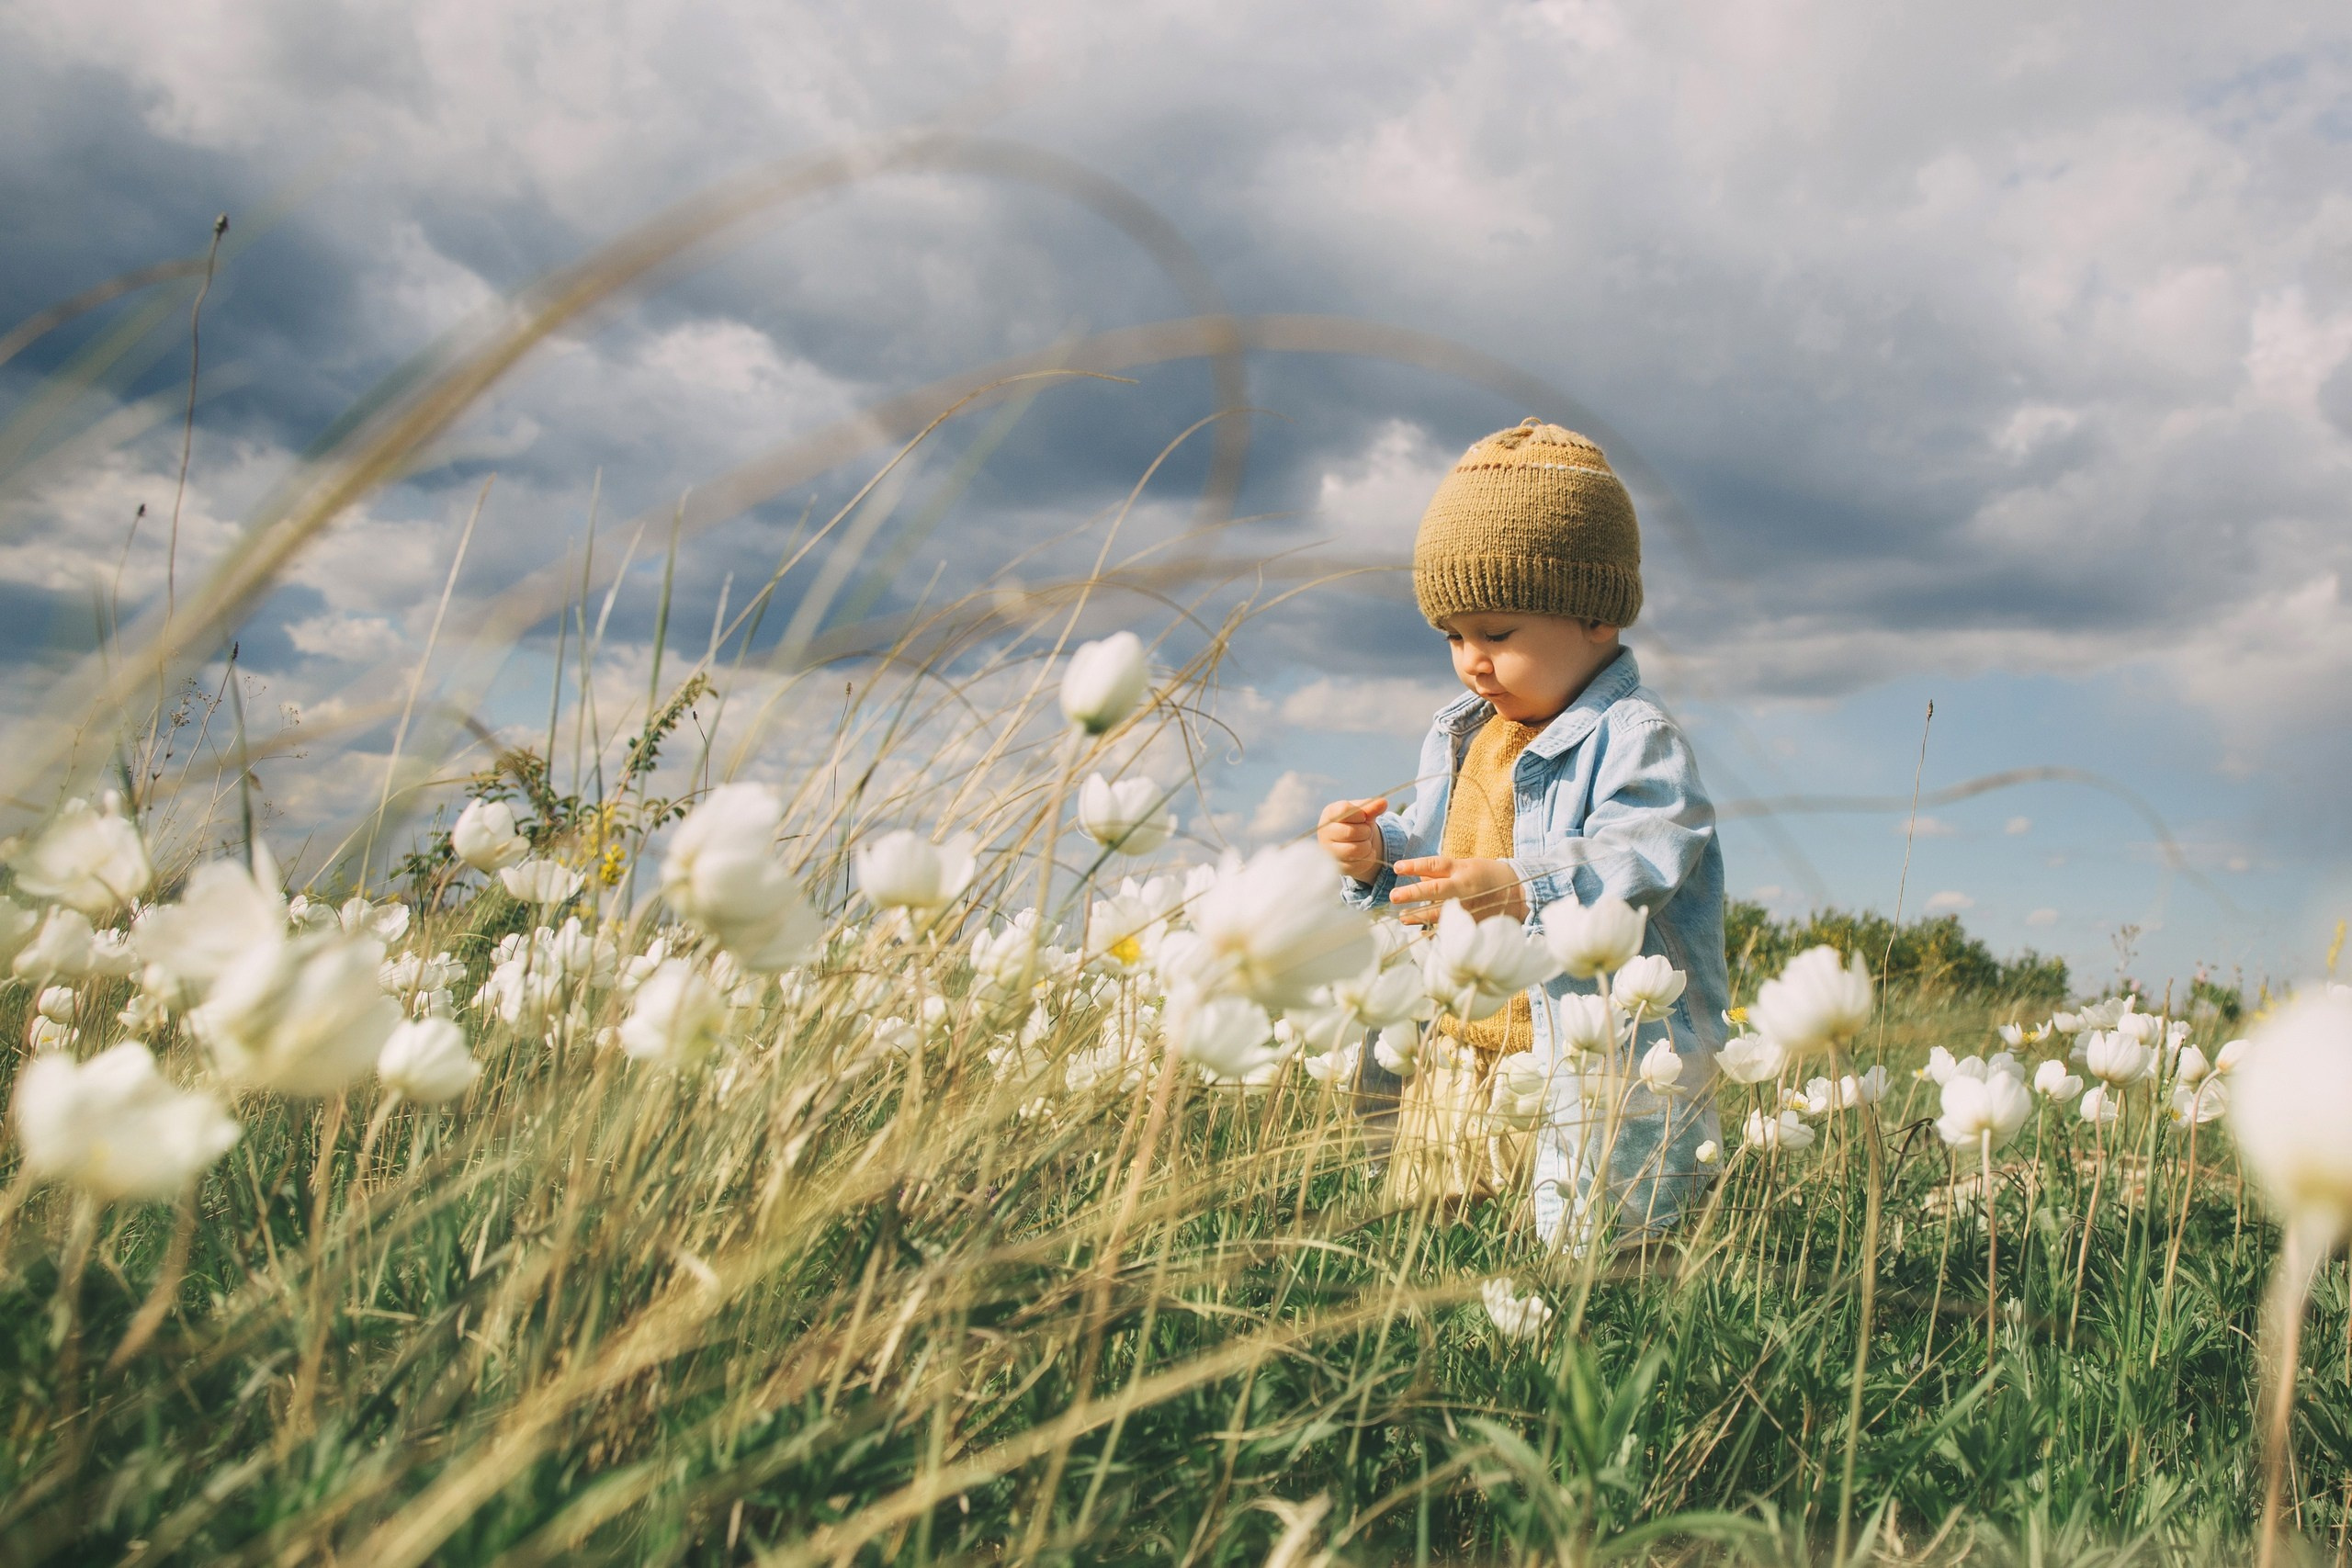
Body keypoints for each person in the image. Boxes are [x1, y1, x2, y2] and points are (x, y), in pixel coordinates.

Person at [1316, 418, 1725, 1247]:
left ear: (1596, 616)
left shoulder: (1635, 739)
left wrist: (1520, 887)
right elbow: (1439, 855)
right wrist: (1379, 857)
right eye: (1454, 636)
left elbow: (1643, 852)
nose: (1472, 659)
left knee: (1592, 1246)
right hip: (1462, 1050)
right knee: (1439, 1243)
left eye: (1497, 634)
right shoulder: (1462, 734)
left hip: (1585, 1061)